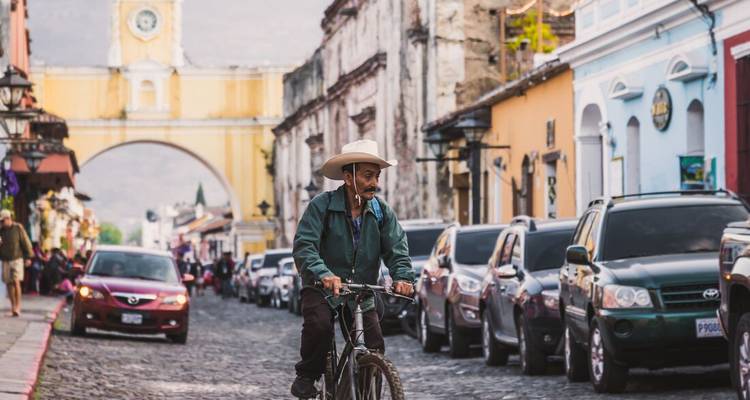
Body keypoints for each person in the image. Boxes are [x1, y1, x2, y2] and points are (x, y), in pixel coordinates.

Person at [290, 139, 415, 399]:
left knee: (374, 345)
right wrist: (323, 274)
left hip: (361, 290)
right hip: (322, 288)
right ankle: (307, 376)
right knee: (320, 327)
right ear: (348, 178)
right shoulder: (321, 207)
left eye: (376, 176)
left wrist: (402, 276)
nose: (374, 183)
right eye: (368, 176)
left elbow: (397, 249)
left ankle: (366, 394)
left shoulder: (382, 212)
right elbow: (305, 246)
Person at [0, 210, 33, 317]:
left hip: (16, 259)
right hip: (5, 260)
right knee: (8, 283)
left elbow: (25, 242)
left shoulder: (18, 228)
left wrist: (28, 257)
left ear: (8, 219)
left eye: (2, 221)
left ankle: (18, 307)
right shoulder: (1, 231)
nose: (1, 223)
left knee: (16, 281)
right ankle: (13, 306)